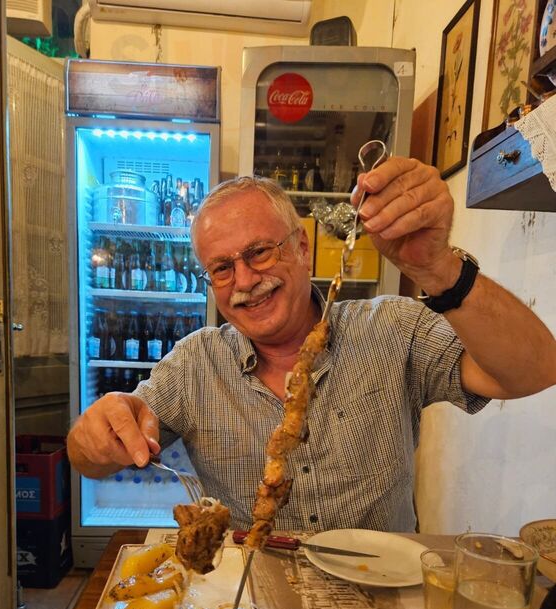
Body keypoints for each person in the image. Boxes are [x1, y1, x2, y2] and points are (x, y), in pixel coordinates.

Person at [67, 158, 556, 531]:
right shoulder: (196, 364)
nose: (245, 280)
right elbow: (89, 460)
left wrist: (438, 268)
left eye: (259, 252)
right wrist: (96, 436)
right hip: (250, 604)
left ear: (302, 248)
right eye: (222, 268)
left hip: (379, 599)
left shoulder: (392, 328)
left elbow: (535, 370)